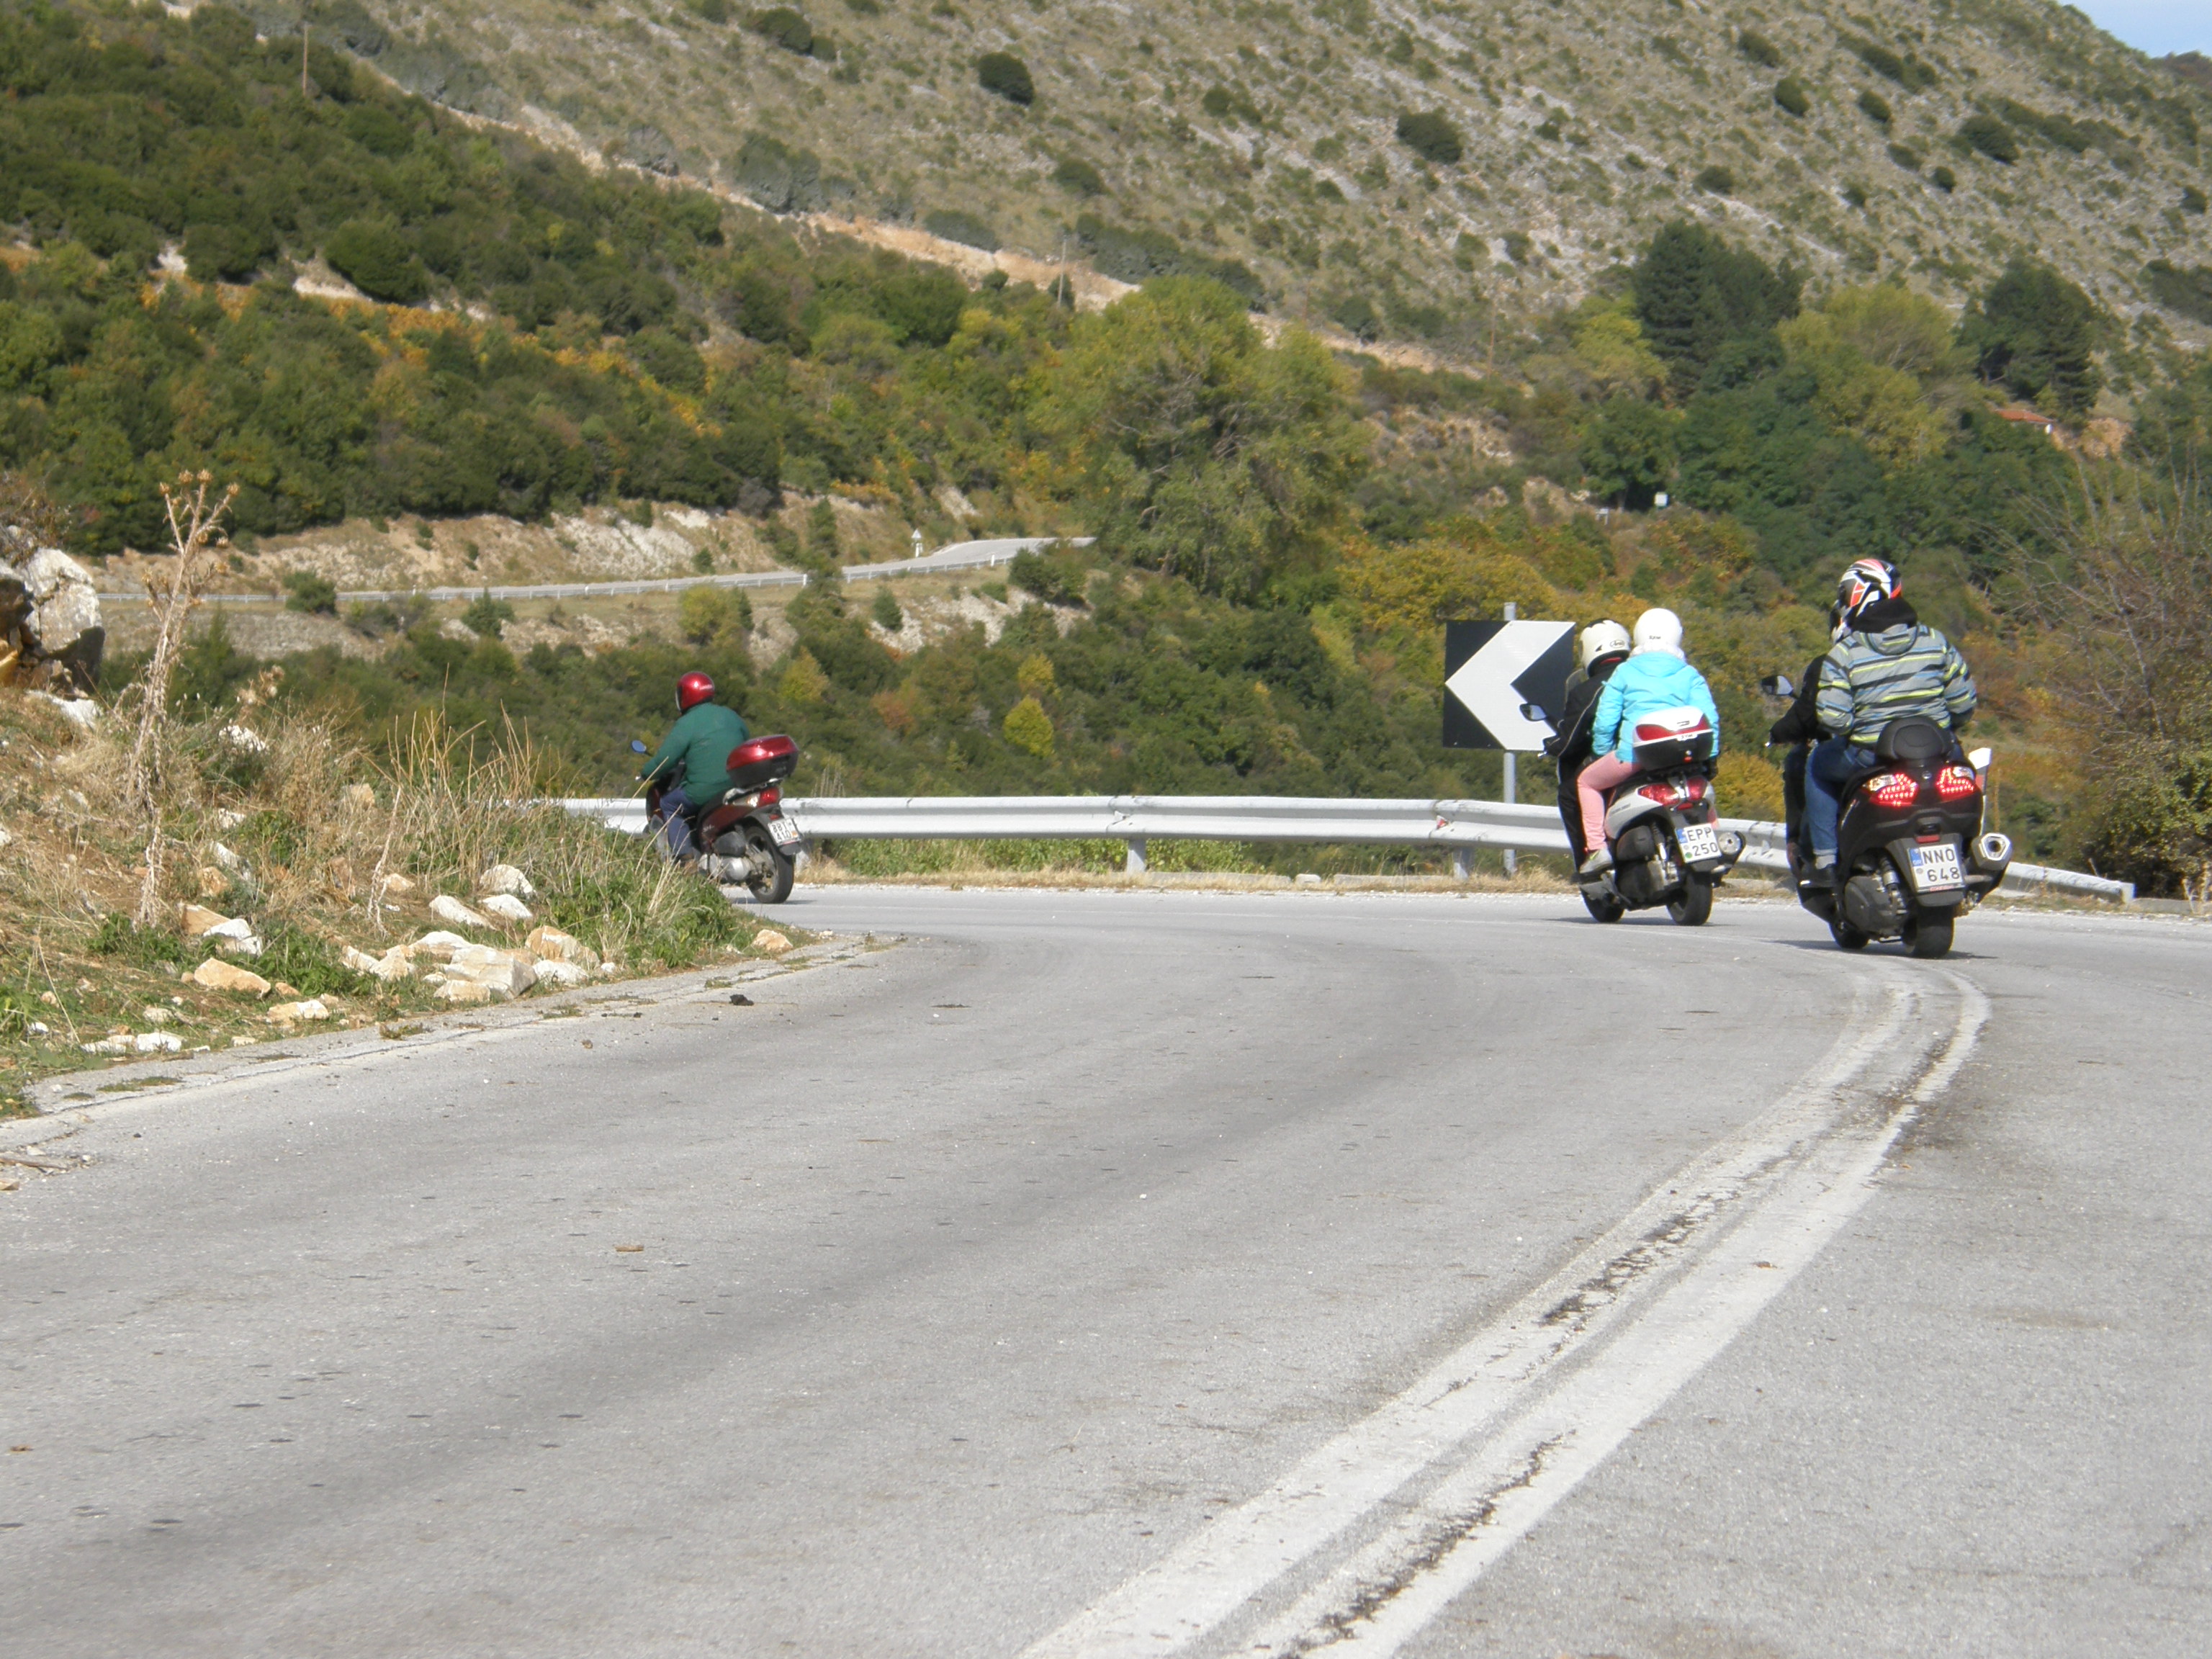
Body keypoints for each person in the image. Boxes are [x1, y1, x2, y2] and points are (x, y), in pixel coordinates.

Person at [1801, 558, 1977, 889]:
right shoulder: (1936, 641)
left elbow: (1835, 720)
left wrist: (1859, 726)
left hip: (1871, 756)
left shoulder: (1845, 654)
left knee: (1816, 765)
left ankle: (1825, 861)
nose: (1842, 601)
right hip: (1937, 753)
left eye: (1846, 592)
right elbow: (1964, 704)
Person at [1577, 608, 1722, 877]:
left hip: (1634, 757)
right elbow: (1710, 718)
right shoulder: (1689, 674)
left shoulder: (1624, 672)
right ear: (1677, 636)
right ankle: (1713, 843)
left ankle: (1597, 850)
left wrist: (1601, 751)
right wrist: (1710, 757)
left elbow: (1606, 720)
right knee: (1701, 793)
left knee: (1586, 782)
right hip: (1683, 755)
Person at [1542, 619, 1632, 857]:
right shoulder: (1644, 677)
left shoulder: (1587, 691)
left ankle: (1590, 857)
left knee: (1571, 792)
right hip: (1661, 752)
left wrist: (1552, 745)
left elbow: (1571, 740)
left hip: (1624, 758)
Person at [638, 671, 751, 861]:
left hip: (704, 791)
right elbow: (746, 740)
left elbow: (665, 760)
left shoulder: (686, 724)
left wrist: (645, 773)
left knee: (669, 804)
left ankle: (686, 861)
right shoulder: (730, 715)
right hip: (738, 784)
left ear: (685, 696)